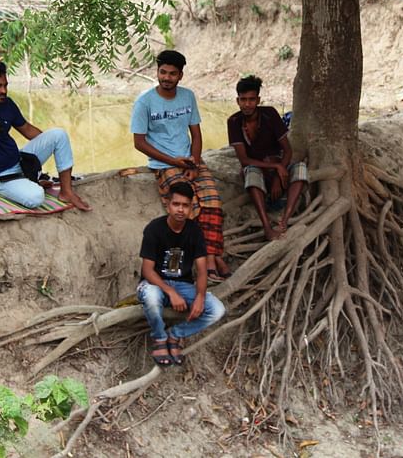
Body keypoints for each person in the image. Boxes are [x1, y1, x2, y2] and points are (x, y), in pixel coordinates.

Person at [130, 50, 229, 280]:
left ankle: (213, 254)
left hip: (189, 160)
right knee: (187, 207)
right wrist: (173, 161)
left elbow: (196, 134)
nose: (166, 77)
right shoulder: (144, 102)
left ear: (180, 76)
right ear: (157, 72)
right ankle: (208, 261)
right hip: (164, 164)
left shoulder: (188, 97)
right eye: (162, 72)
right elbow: (139, 142)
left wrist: (194, 162)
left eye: (172, 73)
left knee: (212, 200)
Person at [0, 60, 90, 211]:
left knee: (58, 135)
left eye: (5, 85)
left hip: (19, 161)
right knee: (36, 197)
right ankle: (29, 182)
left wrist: (48, 146)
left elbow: (27, 129)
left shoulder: (6, 104)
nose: (4, 91)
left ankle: (66, 192)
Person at [137, 182, 226, 366]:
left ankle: (175, 335)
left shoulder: (194, 231)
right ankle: (160, 338)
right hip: (155, 283)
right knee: (152, 299)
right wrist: (170, 291)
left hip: (184, 285)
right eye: (176, 204)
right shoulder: (154, 229)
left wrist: (200, 296)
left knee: (217, 310)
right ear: (167, 204)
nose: (180, 210)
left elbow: (202, 270)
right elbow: (147, 270)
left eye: (185, 205)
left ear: (191, 208)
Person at [227, 75, 308, 240]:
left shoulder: (269, 114)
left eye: (251, 99)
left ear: (258, 99)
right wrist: (275, 168)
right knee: (250, 172)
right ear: (237, 101)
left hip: (277, 165)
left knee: (300, 168)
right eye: (243, 100)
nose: (247, 104)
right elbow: (244, 160)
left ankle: (284, 221)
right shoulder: (234, 121)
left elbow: (287, 150)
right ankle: (267, 227)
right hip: (257, 169)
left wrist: (279, 174)